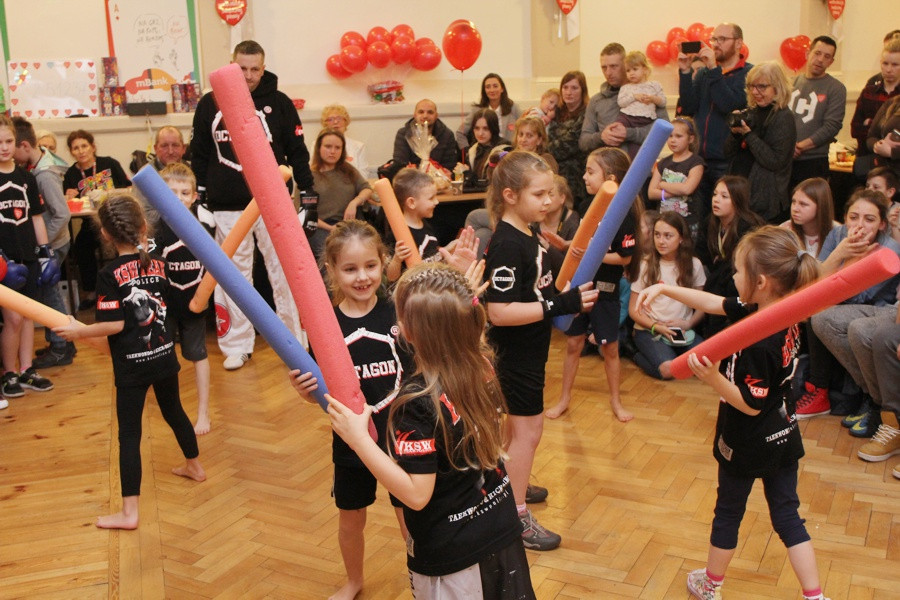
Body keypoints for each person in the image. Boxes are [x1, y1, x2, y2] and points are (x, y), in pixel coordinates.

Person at [635, 226, 828, 600]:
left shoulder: (760, 338)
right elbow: (713, 302)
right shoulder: (776, 309)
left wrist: (711, 377)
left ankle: (711, 585)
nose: (733, 277)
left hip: (748, 438)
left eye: (738, 272)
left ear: (760, 281)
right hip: (784, 433)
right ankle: (815, 596)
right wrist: (665, 288)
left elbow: (750, 404)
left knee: (728, 513)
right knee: (789, 517)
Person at [325, 261, 536, 599]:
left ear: (409, 333)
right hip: (501, 528)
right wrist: (453, 298)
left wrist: (359, 439)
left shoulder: (416, 403)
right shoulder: (481, 366)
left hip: (455, 555)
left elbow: (416, 494)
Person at [54, 194, 205, 530]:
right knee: (175, 412)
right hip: (163, 356)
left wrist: (81, 331)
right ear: (142, 228)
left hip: (132, 367)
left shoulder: (109, 274)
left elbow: (116, 324)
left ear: (105, 234)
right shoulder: (158, 263)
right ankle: (194, 465)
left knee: (130, 435)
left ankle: (129, 513)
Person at [288, 220, 412, 600]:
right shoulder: (327, 326)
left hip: (402, 434)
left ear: (383, 263)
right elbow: (320, 393)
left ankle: (422, 575)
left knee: (410, 515)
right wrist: (305, 391)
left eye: (371, 266)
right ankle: (354, 580)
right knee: (351, 518)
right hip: (352, 442)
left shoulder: (398, 311)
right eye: (350, 269)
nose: (363, 277)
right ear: (331, 270)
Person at [483, 150, 597, 550]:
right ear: (511, 195)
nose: (549, 202)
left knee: (519, 429)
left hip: (530, 350)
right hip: (513, 355)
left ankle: (512, 483)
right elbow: (498, 311)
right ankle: (515, 518)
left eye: (551, 193)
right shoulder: (506, 245)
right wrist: (558, 304)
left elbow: (532, 289)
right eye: (540, 194)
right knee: (530, 431)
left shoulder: (530, 233)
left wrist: (559, 288)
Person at [191, 40, 314, 370]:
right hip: (227, 204)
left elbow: (298, 151)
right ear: (231, 64)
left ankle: (295, 343)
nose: (247, 76)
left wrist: (309, 198)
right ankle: (236, 344)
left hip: (273, 201)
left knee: (286, 272)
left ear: (264, 67)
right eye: (241, 68)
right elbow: (200, 153)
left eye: (254, 69)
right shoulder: (209, 103)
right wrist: (200, 196)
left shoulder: (279, 102)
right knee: (232, 276)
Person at [547, 148, 639, 423]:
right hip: (582, 287)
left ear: (610, 178)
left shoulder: (625, 213)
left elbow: (624, 257)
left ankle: (616, 401)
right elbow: (582, 244)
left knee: (609, 347)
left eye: (591, 171)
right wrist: (566, 245)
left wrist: (590, 254)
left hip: (606, 291)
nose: (585, 177)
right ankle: (564, 398)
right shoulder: (590, 206)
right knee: (573, 343)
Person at [799, 190, 900, 426]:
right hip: (844, 304)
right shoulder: (838, 235)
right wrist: (839, 254)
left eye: (869, 219)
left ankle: (875, 402)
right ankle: (838, 392)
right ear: (845, 218)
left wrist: (847, 262)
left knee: (855, 327)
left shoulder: (889, 250)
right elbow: (814, 284)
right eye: (853, 217)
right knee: (817, 316)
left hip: (881, 310)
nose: (859, 225)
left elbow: (855, 296)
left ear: (882, 224)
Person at [0, 114, 57, 403]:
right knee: (13, 318)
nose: (4, 147)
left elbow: (36, 218)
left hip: (28, 257)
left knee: (29, 316)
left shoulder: (26, 177)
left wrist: (46, 253)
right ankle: (8, 372)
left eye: (8, 141)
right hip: (3, 263)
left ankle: (26, 368)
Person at [12, 116, 75, 368]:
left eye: (13, 149)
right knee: (47, 295)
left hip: (52, 244)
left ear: (26, 146)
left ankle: (62, 347)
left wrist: (42, 244)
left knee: (50, 296)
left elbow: (62, 214)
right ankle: (60, 343)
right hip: (49, 244)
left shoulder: (44, 174)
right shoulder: (37, 166)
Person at [156, 163, 212, 435]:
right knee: (165, 361)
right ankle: (173, 413)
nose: (178, 198)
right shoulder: (155, 231)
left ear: (193, 196)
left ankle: (203, 412)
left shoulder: (202, 228)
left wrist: (203, 298)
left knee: (197, 355)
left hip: (194, 306)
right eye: (171, 192)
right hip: (164, 308)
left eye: (184, 192)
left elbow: (214, 268)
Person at [677, 23, 753, 216]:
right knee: (698, 216)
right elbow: (688, 107)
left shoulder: (748, 74)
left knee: (724, 217)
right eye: (714, 39)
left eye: (722, 39)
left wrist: (713, 69)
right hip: (699, 159)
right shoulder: (703, 73)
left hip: (727, 161)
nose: (716, 44)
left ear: (738, 43)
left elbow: (729, 106)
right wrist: (685, 72)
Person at [628, 211, 706, 380]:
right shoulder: (646, 264)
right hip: (650, 330)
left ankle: (673, 356)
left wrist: (688, 323)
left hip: (682, 330)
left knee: (704, 364)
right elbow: (634, 310)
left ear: (681, 238)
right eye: (657, 235)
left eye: (668, 236)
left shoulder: (694, 265)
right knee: (668, 371)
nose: (661, 241)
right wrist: (656, 326)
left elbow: (703, 304)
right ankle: (635, 354)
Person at [63, 129, 131, 312]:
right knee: (81, 246)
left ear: (93, 147)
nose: (81, 151)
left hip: (115, 218)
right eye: (75, 148)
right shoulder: (71, 174)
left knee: (124, 242)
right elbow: (67, 201)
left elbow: (128, 187)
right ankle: (92, 291)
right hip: (90, 222)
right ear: (71, 152)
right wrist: (68, 196)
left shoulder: (109, 164)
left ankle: (125, 284)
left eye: (84, 146)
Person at [726, 61, 796, 224]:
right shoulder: (751, 112)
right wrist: (735, 134)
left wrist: (748, 135)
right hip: (741, 195)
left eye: (762, 87)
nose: (755, 92)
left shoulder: (783, 117)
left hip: (766, 201)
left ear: (777, 87)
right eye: (751, 86)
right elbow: (728, 153)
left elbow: (775, 161)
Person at [696, 176, 765, 337]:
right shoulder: (711, 223)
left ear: (737, 200)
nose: (716, 200)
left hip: (740, 283)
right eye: (714, 195)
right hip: (717, 278)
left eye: (724, 196)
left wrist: (721, 263)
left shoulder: (750, 226)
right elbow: (701, 253)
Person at [579, 43, 669, 155]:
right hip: (609, 166)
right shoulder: (596, 101)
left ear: (625, 65)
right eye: (604, 67)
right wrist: (601, 136)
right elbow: (583, 142)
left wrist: (628, 133)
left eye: (613, 66)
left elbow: (663, 132)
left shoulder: (649, 91)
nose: (608, 73)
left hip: (639, 164)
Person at [788, 36, 847, 188]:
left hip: (813, 161)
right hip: (784, 160)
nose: (820, 59)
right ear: (808, 54)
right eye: (817, 53)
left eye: (827, 56)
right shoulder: (790, 83)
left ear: (831, 62)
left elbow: (832, 126)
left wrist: (800, 147)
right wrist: (786, 147)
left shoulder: (836, 88)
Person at [309, 128, 373, 259]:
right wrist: (330, 228)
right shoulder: (309, 177)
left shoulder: (348, 170)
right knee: (334, 255)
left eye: (337, 148)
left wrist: (355, 202)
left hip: (350, 225)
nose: (333, 151)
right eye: (328, 146)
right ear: (318, 148)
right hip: (321, 227)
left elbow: (367, 189)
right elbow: (305, 213)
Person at [648, 116, 705, 241]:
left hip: (687, 222)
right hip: (664, 221)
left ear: (691, 138)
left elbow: (687, 189)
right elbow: (651, 193)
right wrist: (670, 193)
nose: (673, 140)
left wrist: (663, 185)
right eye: (670, 136)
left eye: (678, 136)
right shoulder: (663, 162)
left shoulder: (696, 162)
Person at [851, 38, 900, 179]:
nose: (889, 69)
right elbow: (856, 129)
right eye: (885, 63)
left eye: (895, 64)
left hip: (895, 167)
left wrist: (873, 124)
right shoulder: (869, 91)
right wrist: (878, 142)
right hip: (869, 160)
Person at [385, 168, 440, 282]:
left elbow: (431, 258)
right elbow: (391, 277)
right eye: (431, 198)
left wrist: (448, 250)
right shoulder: (396, 236)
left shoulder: (425, 224)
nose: (437, 202)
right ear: (411, 203)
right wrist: (397, 260)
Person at [383, 99, 459, 180]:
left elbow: (449, 165)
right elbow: (400, 164)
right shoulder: (403, 134)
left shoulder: (447, 135)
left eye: (430, 112)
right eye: (421, 112)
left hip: (439, 181)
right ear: (415, 115)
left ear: (436, 115)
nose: (425, 116)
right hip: (410, 181)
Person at [548, 71, 591, 214]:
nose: (569, 92)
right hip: (555, 175)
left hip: (577, 179)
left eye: (574, 88)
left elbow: (569, 145)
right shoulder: (556, 112)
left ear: (582, 90)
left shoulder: (586, 113)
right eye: (565, 87)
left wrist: (549, 147)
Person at [615, 50, 666, 158]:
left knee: (637, 150)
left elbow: (663, 102)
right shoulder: (626, 87)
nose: (631, 73)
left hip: (644, 120)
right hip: (627, 116)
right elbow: (621, 103)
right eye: (628, 70)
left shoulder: (654, 85)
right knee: (616, 128)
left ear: (645, 69)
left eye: (635, 69)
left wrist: (653, 99)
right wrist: (634, 97)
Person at [455, 73, 522, 148]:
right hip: (484, 155)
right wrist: (468, 152)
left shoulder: (513, 108)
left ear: (502, 88)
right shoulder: (477, 110)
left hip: (508, 153)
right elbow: (460, 133)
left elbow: (524, 130)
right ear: (484, 90)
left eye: (495, 86)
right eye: (488, 87)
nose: (492, 90)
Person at [780, 177, 839, 257]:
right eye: (793, 202)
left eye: (803, 204)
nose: (795, 209)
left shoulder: (838, 233)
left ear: (820, 207)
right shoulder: (784, 230)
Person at [320, 104, 371, 178]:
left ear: (346, 121)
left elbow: (363, 175)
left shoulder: (359, 146)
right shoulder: (317, 145)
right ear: (325, 124)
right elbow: (315, 172)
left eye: (339, 118)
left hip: (353, 187)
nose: (335, 122)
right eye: (331, 119)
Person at [462, 108, 509, 182]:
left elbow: (492, 181)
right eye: (477, 128)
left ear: (493, 128)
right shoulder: (473, 150)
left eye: (485, 128)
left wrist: (467, 173)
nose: (480, 133)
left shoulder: (504, 150)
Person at [867, 95, 900, 178]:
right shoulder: (892, 103)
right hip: (884, 172)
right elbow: (871, 136)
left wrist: (892, 152)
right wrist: (878, 145)